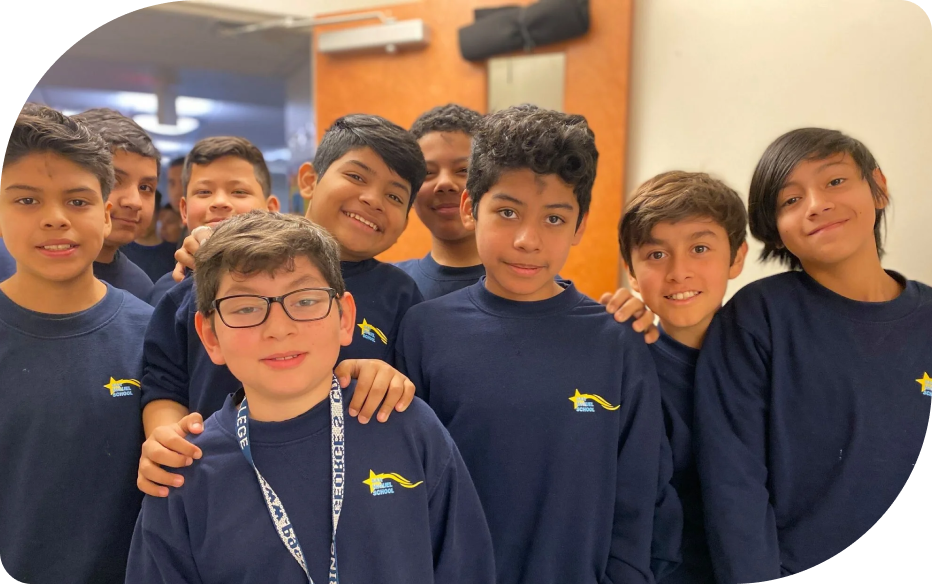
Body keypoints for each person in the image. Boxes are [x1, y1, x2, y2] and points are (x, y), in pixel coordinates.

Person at [125, 211, 495, 584]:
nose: (279, 328)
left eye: (304, 301)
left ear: (345, 318)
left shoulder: (408, 428)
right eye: (246, 307)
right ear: (210, 337)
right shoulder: (182, 472)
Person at [396, 104, 665, 584]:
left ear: (580, 226)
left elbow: (641, 493)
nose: (528, 239)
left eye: (554, 219)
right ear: (470, 209)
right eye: (507, 212)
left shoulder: (617, 341)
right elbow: (409, 482)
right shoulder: (424, 330)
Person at [694, 128, 932, 582]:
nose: (817, 204)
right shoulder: (757, 318)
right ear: (774, 232)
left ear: (878, 187)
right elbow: (733, 486)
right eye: (790, 200)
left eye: (835, 181)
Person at [138, 135, 416, 499]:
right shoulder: (192, 284)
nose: (371, 199)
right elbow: (164, 381)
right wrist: (169, 442)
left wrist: (385, 378)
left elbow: (409, 382)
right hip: (216, 477)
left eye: (395, 195)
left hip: (346, 479)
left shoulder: (400, 293)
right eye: (356, 176)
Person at [0, 106, 153, 583]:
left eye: (78, 201)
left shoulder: (152, 333)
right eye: (27, 200)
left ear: (106, 216)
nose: (54, 219)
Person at [614, 170, 749, 583]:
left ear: (737, 257)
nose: (678, 271)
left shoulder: (765, 360)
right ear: (631, 272)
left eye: (700, 248)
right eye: (656, 254)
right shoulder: (627, 368)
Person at [395, 104, 486, 299]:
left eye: (464, 170)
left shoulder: (538, 288)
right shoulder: (390, 288)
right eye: (428, 172)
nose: (445, 183)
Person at [74, 108, 159, 302]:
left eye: (145, 187)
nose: (134, 202)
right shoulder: (16, 266)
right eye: (113, 181)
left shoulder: (141, 288)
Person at [123, 190, 178, 282]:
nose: (138, 218)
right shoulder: (120, 251)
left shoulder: (174, 254)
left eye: (145, 212)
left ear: (158, 214)